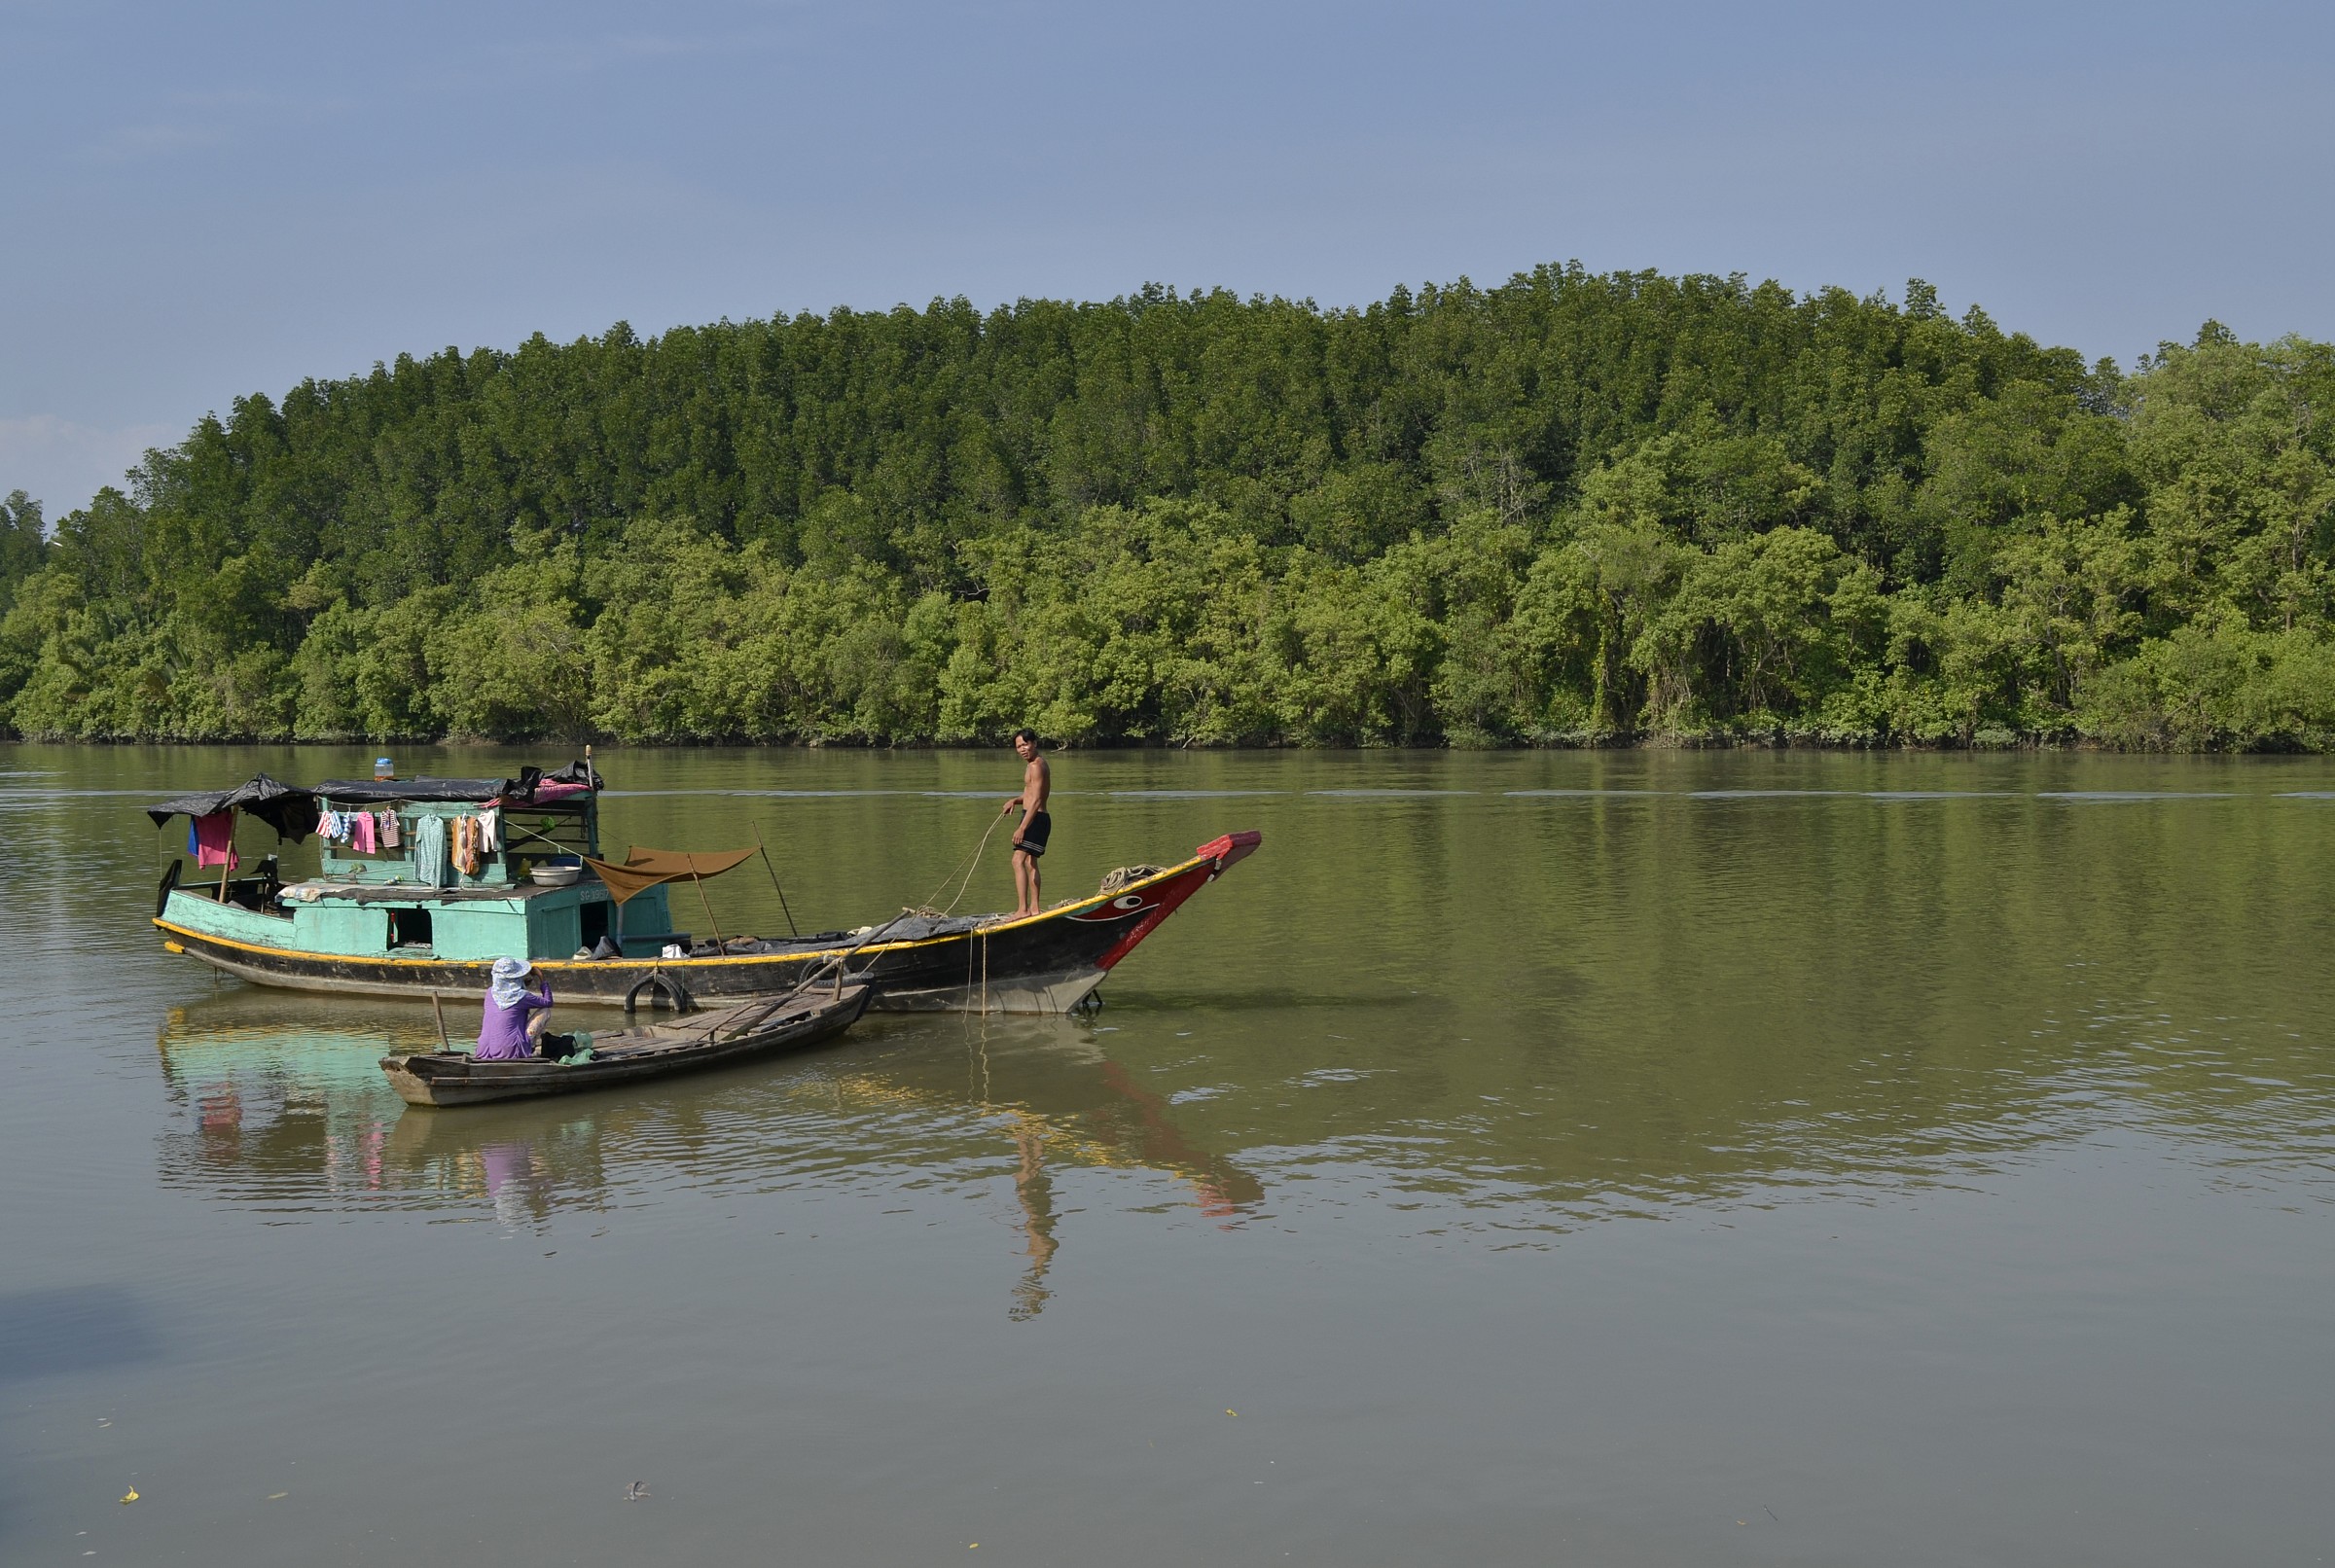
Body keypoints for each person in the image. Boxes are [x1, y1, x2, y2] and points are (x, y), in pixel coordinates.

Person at [474, 956, 581, 1060]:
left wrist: (523, 984)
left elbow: (507, 993)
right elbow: (548, 1002)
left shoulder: (489, 993)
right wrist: (541, 977)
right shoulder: (522, 996)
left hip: (483, 1049)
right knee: (545, 1011)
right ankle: (528, 1048)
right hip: (509, 1050)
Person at [999, 727, 1052, 918]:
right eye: (1018, 746)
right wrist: (1015, 800)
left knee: (1017, 860)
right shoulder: (1033, 765)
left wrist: (1022, 827)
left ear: (1034, 743)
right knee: (1030, 862)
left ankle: (1023, 910)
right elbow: (1030, 795)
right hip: (1036, 817)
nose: (1022, 749)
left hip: (1035, 819)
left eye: (1025, 744)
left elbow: (1037, 799)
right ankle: (1035, 909)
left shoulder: (1037, 766)